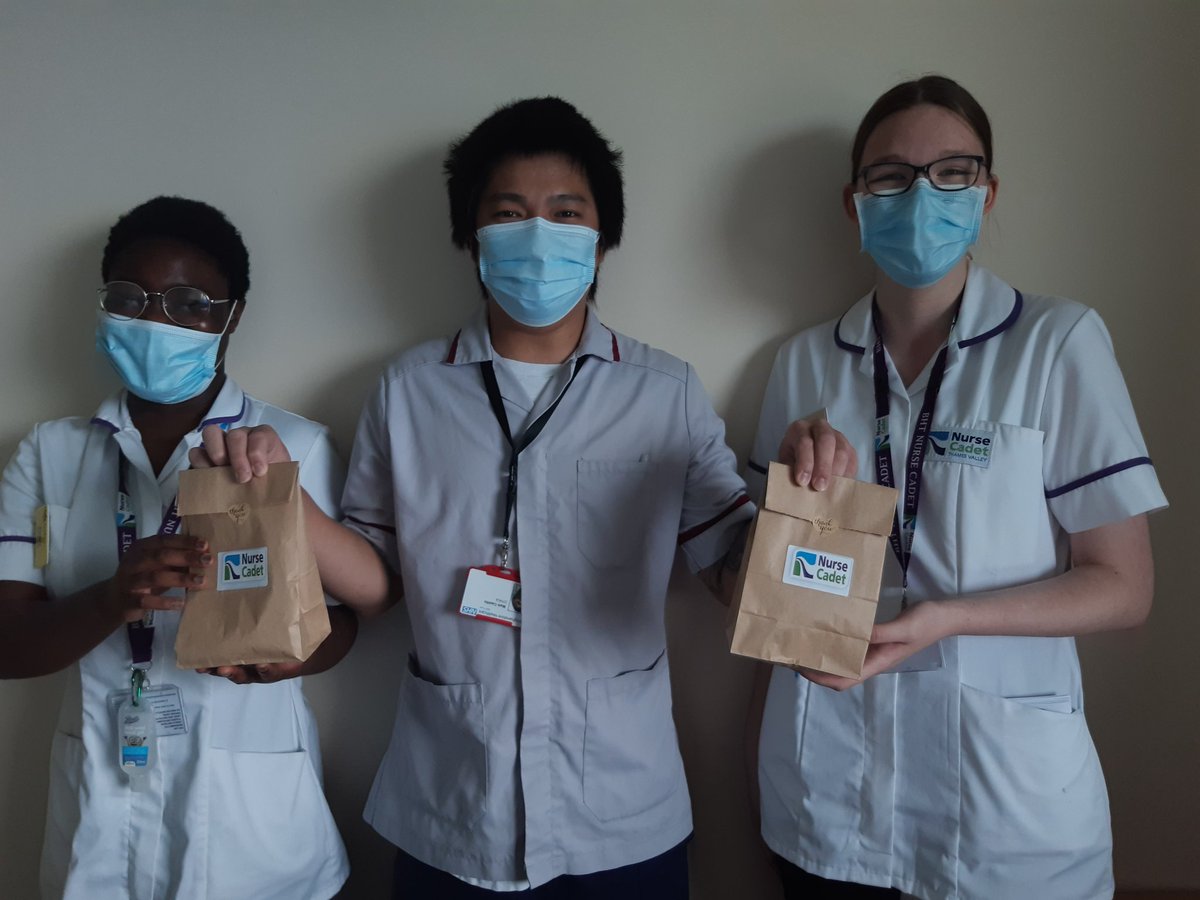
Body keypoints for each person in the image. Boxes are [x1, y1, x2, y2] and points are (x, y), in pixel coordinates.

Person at [195, 97, 753, 897]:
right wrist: (287, 503)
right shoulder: (410, 391)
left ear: (602, 236)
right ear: (471, 237)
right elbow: (380, 583)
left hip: (621, 816)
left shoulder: (664, 393)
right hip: (451, 807)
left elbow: (726, 567)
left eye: (566, 212)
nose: (538, 234)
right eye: (509, 213)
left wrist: (806, 510)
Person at [746, 75, 1167, 899]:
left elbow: (1125, 588)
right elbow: (767, 579)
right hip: (829, 797)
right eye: (891, 177)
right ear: (855, 202)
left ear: (988, 192)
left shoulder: (1058, 342)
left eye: (952, 173)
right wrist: (785, 496)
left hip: (1006, 816)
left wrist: (949, 619)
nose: (921, 195)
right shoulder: (802, 362)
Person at [0, 196, 354, 899]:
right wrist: (110, 598)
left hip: (252, 833)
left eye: (189, 302)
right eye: (130, 298)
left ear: (232, 315)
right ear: (104, 308)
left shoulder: (295, 446)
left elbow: (344, 624)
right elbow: (5, 644)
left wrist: (275, 660)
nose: (156, 320)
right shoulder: (50, 453)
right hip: (98, 827)